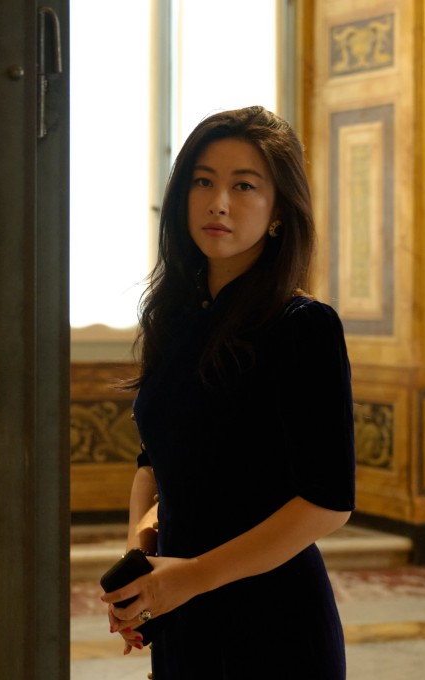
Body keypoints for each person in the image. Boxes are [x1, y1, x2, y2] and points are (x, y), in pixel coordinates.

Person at [101, 106, 356, 679]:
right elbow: (153, 462)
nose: (218, 202)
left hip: (273, 621)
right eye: (203, 181)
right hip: (183, 612)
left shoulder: (303, 327)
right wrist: (142, 560)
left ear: (278, 211)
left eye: (244, 186)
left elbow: (327, 502)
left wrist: (188, 578)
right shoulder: (174, 317)